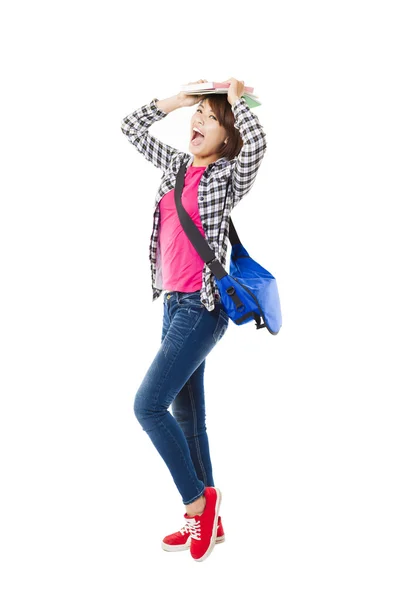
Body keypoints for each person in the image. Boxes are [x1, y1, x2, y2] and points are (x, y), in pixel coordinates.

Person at [120, 78, 267, 562]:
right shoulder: (178, 167)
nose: (196, 122)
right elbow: (131, 126)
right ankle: (210, 520)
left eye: (208, 117)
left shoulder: (227, 175)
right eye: (195, 116)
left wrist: (234, 100)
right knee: (187, 417)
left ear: (226, 135)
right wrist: (181, 100)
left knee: (147, 406)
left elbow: (258, 143)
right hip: (172, 304)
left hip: (202, 308)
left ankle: (197, 503)